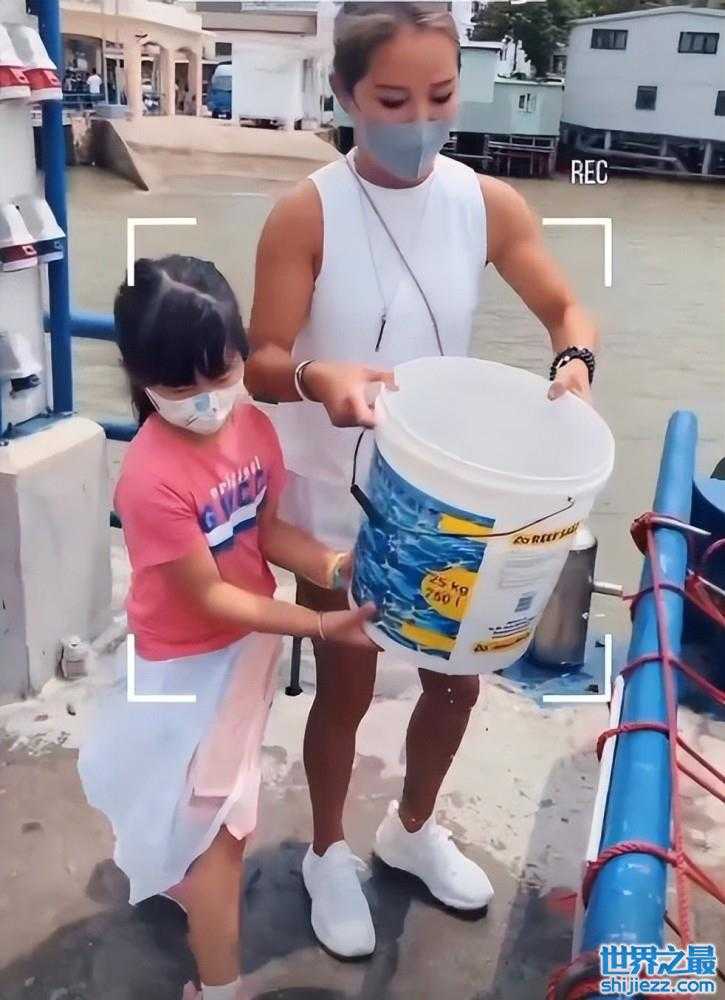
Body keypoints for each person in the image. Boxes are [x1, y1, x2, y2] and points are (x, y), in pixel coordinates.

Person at [246, 1, 599, 960]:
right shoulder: (306, 211)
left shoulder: (485, 203)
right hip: (340, 492)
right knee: (347, 682)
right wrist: (319, 377)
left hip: (455, 491)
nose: (420, 120)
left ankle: (410, 827)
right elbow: (261, 361)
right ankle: (327, 851)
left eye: (440, 96)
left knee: (456, 681)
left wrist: (573, 364)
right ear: (344, 94)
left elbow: (565, 306)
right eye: (392, 100)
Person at [78, 256, 377, 1000]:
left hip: (248, 651)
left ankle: (184, 881)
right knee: (220, 837)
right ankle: (220, 985)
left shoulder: (255, 429)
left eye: (221, 373)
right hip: (184, 665)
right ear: (140, 377)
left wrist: (334, 564)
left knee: (208, 812)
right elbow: (209, 597)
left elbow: (264, 532)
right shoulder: (150, 478)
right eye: (181, 388)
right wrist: (317, 622)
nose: (207, 400)